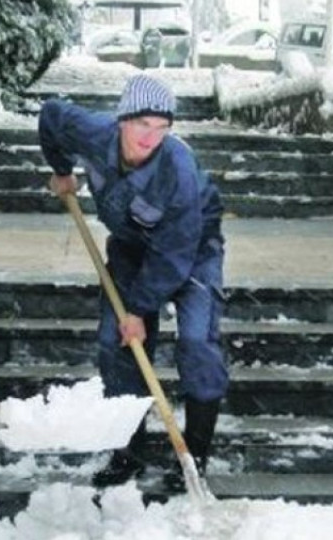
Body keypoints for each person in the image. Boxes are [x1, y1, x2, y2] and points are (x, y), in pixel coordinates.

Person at [39, 74, 228, 490]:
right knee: (115, 344)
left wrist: (141, 310)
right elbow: (51, 116)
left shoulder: (176, 169)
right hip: (131, 247)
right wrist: (61, 170)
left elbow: (174, 253)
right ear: (122, 119)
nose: (151, 137)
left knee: (197, 343)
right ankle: (128, 452)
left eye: (162, 128)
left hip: (194, 248)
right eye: (143, 124)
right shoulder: (93, 132)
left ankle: (194, 458)